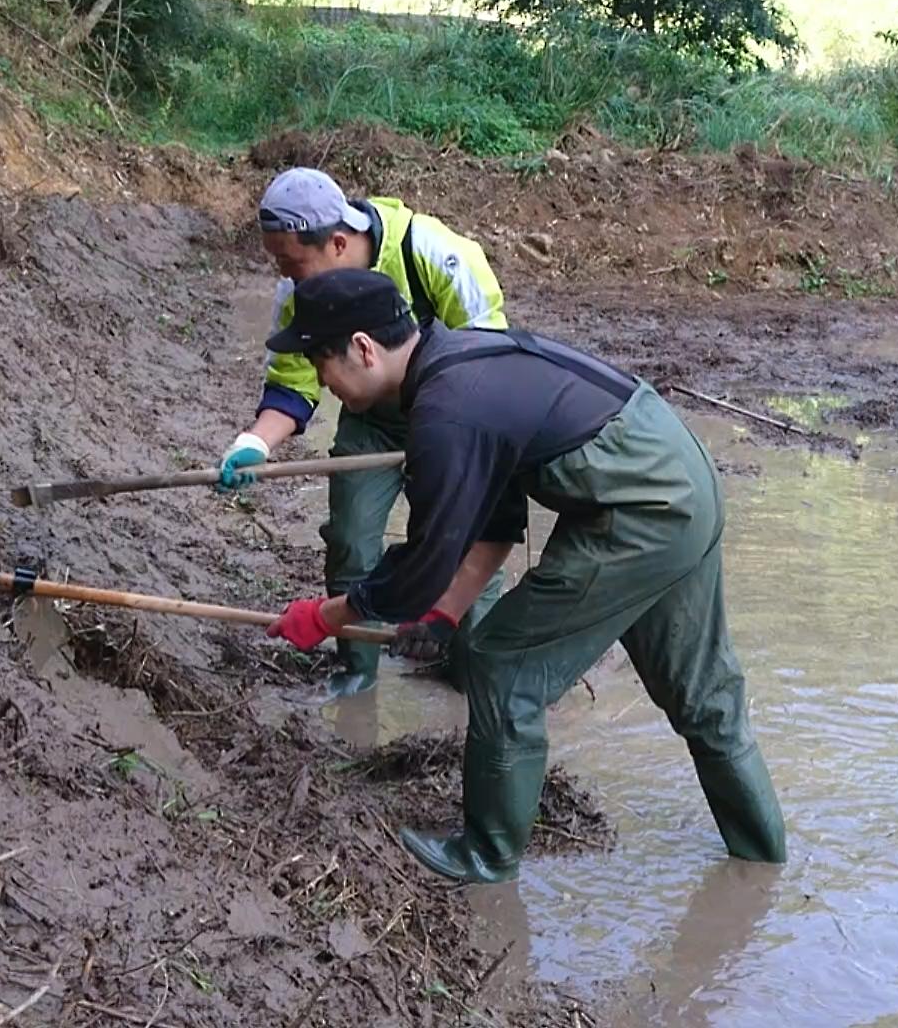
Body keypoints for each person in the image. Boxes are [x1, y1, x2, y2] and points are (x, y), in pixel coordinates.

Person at [262, 267, 787, 883]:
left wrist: (326, 617)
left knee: (503, 664)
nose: (321, 381)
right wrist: (445, 615)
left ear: (362, 348)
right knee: (704, 697)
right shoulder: (459, 356)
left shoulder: (444, 411)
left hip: (640, 510)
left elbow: (425, 563)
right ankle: (763, 866)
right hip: (680, 476)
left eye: (321, 363)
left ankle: (486, 854)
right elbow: (497, 523)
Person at [219, 166, 510, 695]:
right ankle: (358, 667)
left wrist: (455, 452)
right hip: (372, 422)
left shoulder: (437, 255)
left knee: (465, 544)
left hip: (458, 422)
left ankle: (476, 666)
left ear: (335, 242)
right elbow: (293, 386)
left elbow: (491, 365)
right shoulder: (299, 292)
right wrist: (256, 442)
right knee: (351, 540)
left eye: (290, 260)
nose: (285, 273)